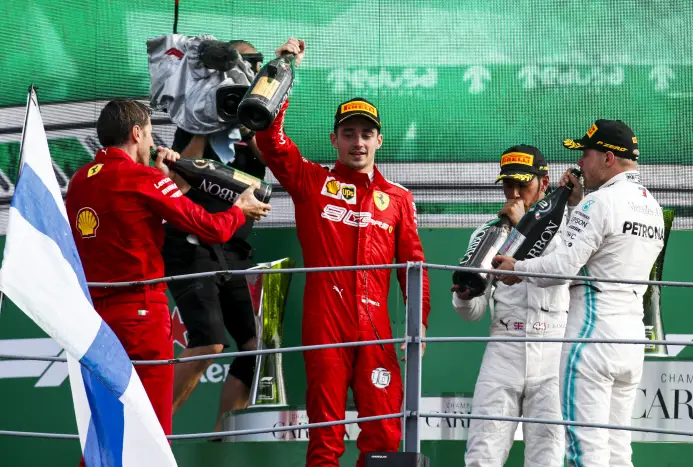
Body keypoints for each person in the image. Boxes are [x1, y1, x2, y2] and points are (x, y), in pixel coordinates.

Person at [255, 38, 432, 467]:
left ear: (379, 140)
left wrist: (419, 323)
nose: (358, 142)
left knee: (386, 434)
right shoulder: (310, 181)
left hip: (376, 330)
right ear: (334, 139)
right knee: (325, 437)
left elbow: (415, 267)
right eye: (349, 133)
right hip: (325, 327)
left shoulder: (399, 198)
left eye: (366, 134)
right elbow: (269, 139)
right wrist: (283, 70)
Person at [65, 99, 270, 450]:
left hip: (95, 320)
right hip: (141, 318)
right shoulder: (141, 178)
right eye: (148, 135)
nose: (150, 143)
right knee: (152, 430)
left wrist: (167, 185)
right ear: (136, 133)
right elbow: (210, 227)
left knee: (103, 430)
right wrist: (240, 210)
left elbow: (129, 220)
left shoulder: (81, 180)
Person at [495, 120, 664, 467]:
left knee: (583, 452)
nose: (580, 164)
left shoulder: (598, 203)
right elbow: (603, 253)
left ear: (607, 158)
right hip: (630, 340)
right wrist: (578, 204)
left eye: (585, 155)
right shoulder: (652, 207)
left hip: (591, 337)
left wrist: (517, 268)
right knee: (618, 451)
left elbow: (562, 268)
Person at [162, 39, 269, 432]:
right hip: (192, 244)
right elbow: (175, 175)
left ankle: (225, 436)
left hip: (234, 247)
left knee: (254, 348)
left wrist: (249, 113)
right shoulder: (196, 113)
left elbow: (267, 156)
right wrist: (206, 117)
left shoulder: (260, 121)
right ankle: (153, 431)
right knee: (209, 342)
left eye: (252, 67)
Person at [452, 145, 568, 467]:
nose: (514, 194)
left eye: (523, 185)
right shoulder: (487, 233)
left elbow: (559, 274)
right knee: (481, 454)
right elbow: (473, 312)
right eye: (508, 185)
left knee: (547, 458)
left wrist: (525, 228)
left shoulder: (565, 230)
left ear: (544, 183)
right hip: (503, 348)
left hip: (552, 350)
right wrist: (464, 296)